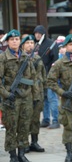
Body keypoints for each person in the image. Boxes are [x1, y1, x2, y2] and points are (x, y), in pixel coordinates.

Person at [0, 29, 38, 162]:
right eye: (12, 40)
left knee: (24, 126)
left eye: (17, 39)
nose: (15, 41)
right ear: (8, 42)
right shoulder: (3, 58)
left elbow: (33, 77)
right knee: (11, 127)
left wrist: (32, 95)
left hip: (25, 98)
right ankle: (13, 155)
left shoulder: (25, 57)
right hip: (10, 99)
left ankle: (22, 153)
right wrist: (6, 94)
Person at [47, 34, 72, 162]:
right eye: (70, 44)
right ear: (65, 46)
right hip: (66, 101)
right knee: (68, 126)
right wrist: (63, 92)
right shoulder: (59, 64)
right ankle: (69, 153)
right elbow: (50, 81)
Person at [21, 35, 47, 153]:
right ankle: (24, 143)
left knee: (36, 119)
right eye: (27, 43)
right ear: (23, 45)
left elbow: (43, 75)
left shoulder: (38, 58)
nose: (30, 45)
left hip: (38, 94)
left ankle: (34, 142)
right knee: (25, 119)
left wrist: (44, 90)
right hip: (25, 94)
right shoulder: (20, 58)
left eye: (32, 42)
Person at [33, 25, 60, 129]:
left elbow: (55, 60)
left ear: (43, 34)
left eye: (39, 33)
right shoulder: (36, 45)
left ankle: (55, 120)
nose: (37, 35)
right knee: (44, 98)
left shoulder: (51, 44)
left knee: (52, 98)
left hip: (50, 75)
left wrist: (52, 74)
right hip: (40, 77)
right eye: (36, 33)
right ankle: (45, 119)